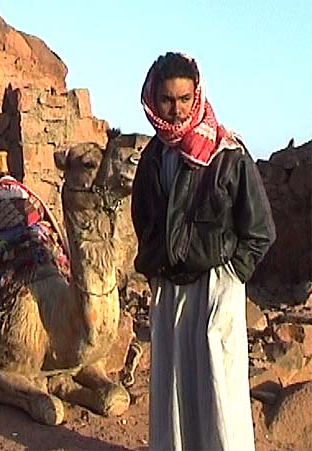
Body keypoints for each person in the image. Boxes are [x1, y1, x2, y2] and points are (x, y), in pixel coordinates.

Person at [131, 52, 276, 451]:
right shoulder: (153, 158)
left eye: (184, 99)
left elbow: (260, 231)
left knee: (219, 394)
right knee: (174, 393)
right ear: (153, 100)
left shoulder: (227, 154)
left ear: (197, 96)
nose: (176, 111)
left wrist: (230, 276)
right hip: (170, 291)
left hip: (215, 287)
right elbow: (142, 219)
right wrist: (157, 265)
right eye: (166, 100)